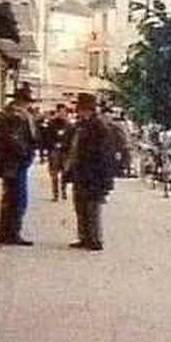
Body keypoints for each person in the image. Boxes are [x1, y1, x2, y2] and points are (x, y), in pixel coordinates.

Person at [0, 84, 37, 245]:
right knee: (18, 198)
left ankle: (6, 232)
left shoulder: (6, 114)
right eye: (28, 102)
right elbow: (14, 140)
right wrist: (24, 153)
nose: (29, 105)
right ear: (22, 101)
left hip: (9, 163)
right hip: (14, 163)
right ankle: (12, 233)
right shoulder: (16, 117)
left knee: (10, 197)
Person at [65, 93, 115, 251]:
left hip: (94, 174)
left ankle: (94, 239)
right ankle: (84, 237)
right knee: (80, 205)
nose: (77, 112)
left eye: (80, 109)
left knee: (92, 207)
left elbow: (104, 154)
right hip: (81, 172)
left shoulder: (99, 126)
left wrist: (104, 178)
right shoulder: (82, 125)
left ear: (88, 109)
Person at [46, 104, 72, 201]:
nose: (62, 114)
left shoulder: (69, 125)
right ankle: (55, 193)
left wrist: (66, 147)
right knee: (54, 174)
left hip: (65, 152)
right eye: (60, 112)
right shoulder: (51, 124)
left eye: (64, 112)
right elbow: (47, 137)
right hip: (54, 151)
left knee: (64, 173)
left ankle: (63, 191)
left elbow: (71, 139)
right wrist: (53, 145)